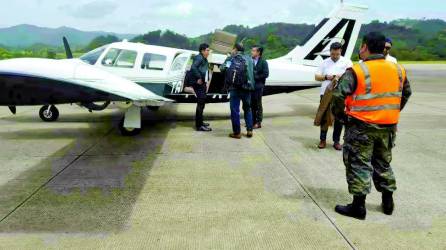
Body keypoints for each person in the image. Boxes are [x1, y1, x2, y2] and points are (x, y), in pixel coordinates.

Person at [331, 32, 412, 220]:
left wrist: (341, 117)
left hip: (361, 127)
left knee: (359, 164)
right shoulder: (399, 69)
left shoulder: (358, 70)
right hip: (388, 127)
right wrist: (392, 112)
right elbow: (406, 92)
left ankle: (358, 207)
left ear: (365, 47)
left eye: (361, 46)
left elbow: (338, 96)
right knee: (383, 163)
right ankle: (388, 202)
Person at [314, 42, 353, 150]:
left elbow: (351, 76)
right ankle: (322, 140)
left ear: (340, 51)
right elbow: (317, 77)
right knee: (324, 117)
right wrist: (327, 77)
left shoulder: (347, 62)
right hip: (325, 93)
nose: (334, 56)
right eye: (332, 54)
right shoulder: (324, 62)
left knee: (339, 118)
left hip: (340, 94)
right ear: (330, 52)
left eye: (337, 54)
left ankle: (336, 141)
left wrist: (341, 76)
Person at [220, 43, 255, 139]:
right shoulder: (250, 59)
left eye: (232, 49)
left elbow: (222, 69)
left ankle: (237, 133)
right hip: (247, 88)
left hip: (234, 88)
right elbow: (253, 72)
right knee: (248, 108)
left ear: (235, 49)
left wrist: (228, 59)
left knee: (235, 110)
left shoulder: (231, 59)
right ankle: (249, 130)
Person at [190, 43, 211, 132]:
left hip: (202, 83)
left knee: (202, 104)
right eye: (207, 50)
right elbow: (193, 67)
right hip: (198, 84)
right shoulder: (199, 57)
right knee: (200, 104)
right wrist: (198, 77)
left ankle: (201, 122)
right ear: (202, 51)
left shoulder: (203, 58)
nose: (208, 52)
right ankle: (199, 126)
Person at [251, 45, 269, 129]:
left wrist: (255, 77)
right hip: (251, 86)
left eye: (254, 51)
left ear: (258, 52)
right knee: (252, 104)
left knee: (258, 104)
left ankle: (258, 122)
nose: (252, 52)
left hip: (258, 86)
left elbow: (266, 74)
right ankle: (253, 121)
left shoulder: (263, 62)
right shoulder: (251, 60)